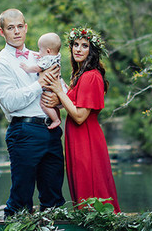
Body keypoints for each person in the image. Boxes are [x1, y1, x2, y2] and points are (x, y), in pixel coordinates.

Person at [0, 8, 65, 217]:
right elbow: (11, 102)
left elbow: (62, 88)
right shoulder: (0, 64)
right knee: (22, 196)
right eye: (11, 28)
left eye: (20, 26)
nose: (17, 32)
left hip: (51, 129)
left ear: (26, 27)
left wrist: (59, 97)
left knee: (54, 194)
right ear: (2, 32)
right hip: (24, 130)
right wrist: (39, 84)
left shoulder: (40, 56)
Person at [45, 26, 120, 213]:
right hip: (77, 139)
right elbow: (71, 103)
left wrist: (60, 92)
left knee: (92, 189)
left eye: (84, 45)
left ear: (92, 51)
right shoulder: (79, 76)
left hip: (87, 139)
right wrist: (59, 98)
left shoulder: (91, 77)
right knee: (81, 189)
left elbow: (79, 116)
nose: (78, 49)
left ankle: (103, 227)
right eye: (75, 45)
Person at [19, 32, 62, 129]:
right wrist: (41, 55)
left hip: (49, 86)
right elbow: (46, 57)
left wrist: (27, 68)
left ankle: (56, 120)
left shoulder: (46, 60)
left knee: (44, 104)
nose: (39, 52)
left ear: (48, 51)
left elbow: (37, 68)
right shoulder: (57, 56)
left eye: (40, 50)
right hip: (57, 84)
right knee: (53, 104)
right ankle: (57, 116)